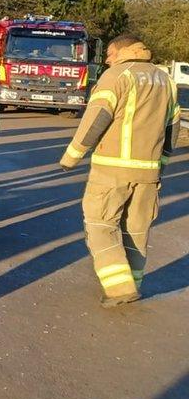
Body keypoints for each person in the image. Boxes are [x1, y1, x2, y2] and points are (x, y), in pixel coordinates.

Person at [60, 35, 180, 307]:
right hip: (148, 172)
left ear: (124, 51)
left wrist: (71, 157)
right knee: (136, 230)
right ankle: (134, 281)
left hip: (112, 169)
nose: (106, 59)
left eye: (110, 53)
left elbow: (97, 119)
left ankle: (120, 288)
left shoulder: (116, 76)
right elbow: (173, 130)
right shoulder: (166, 81)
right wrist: (160, 165)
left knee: (100, 225)